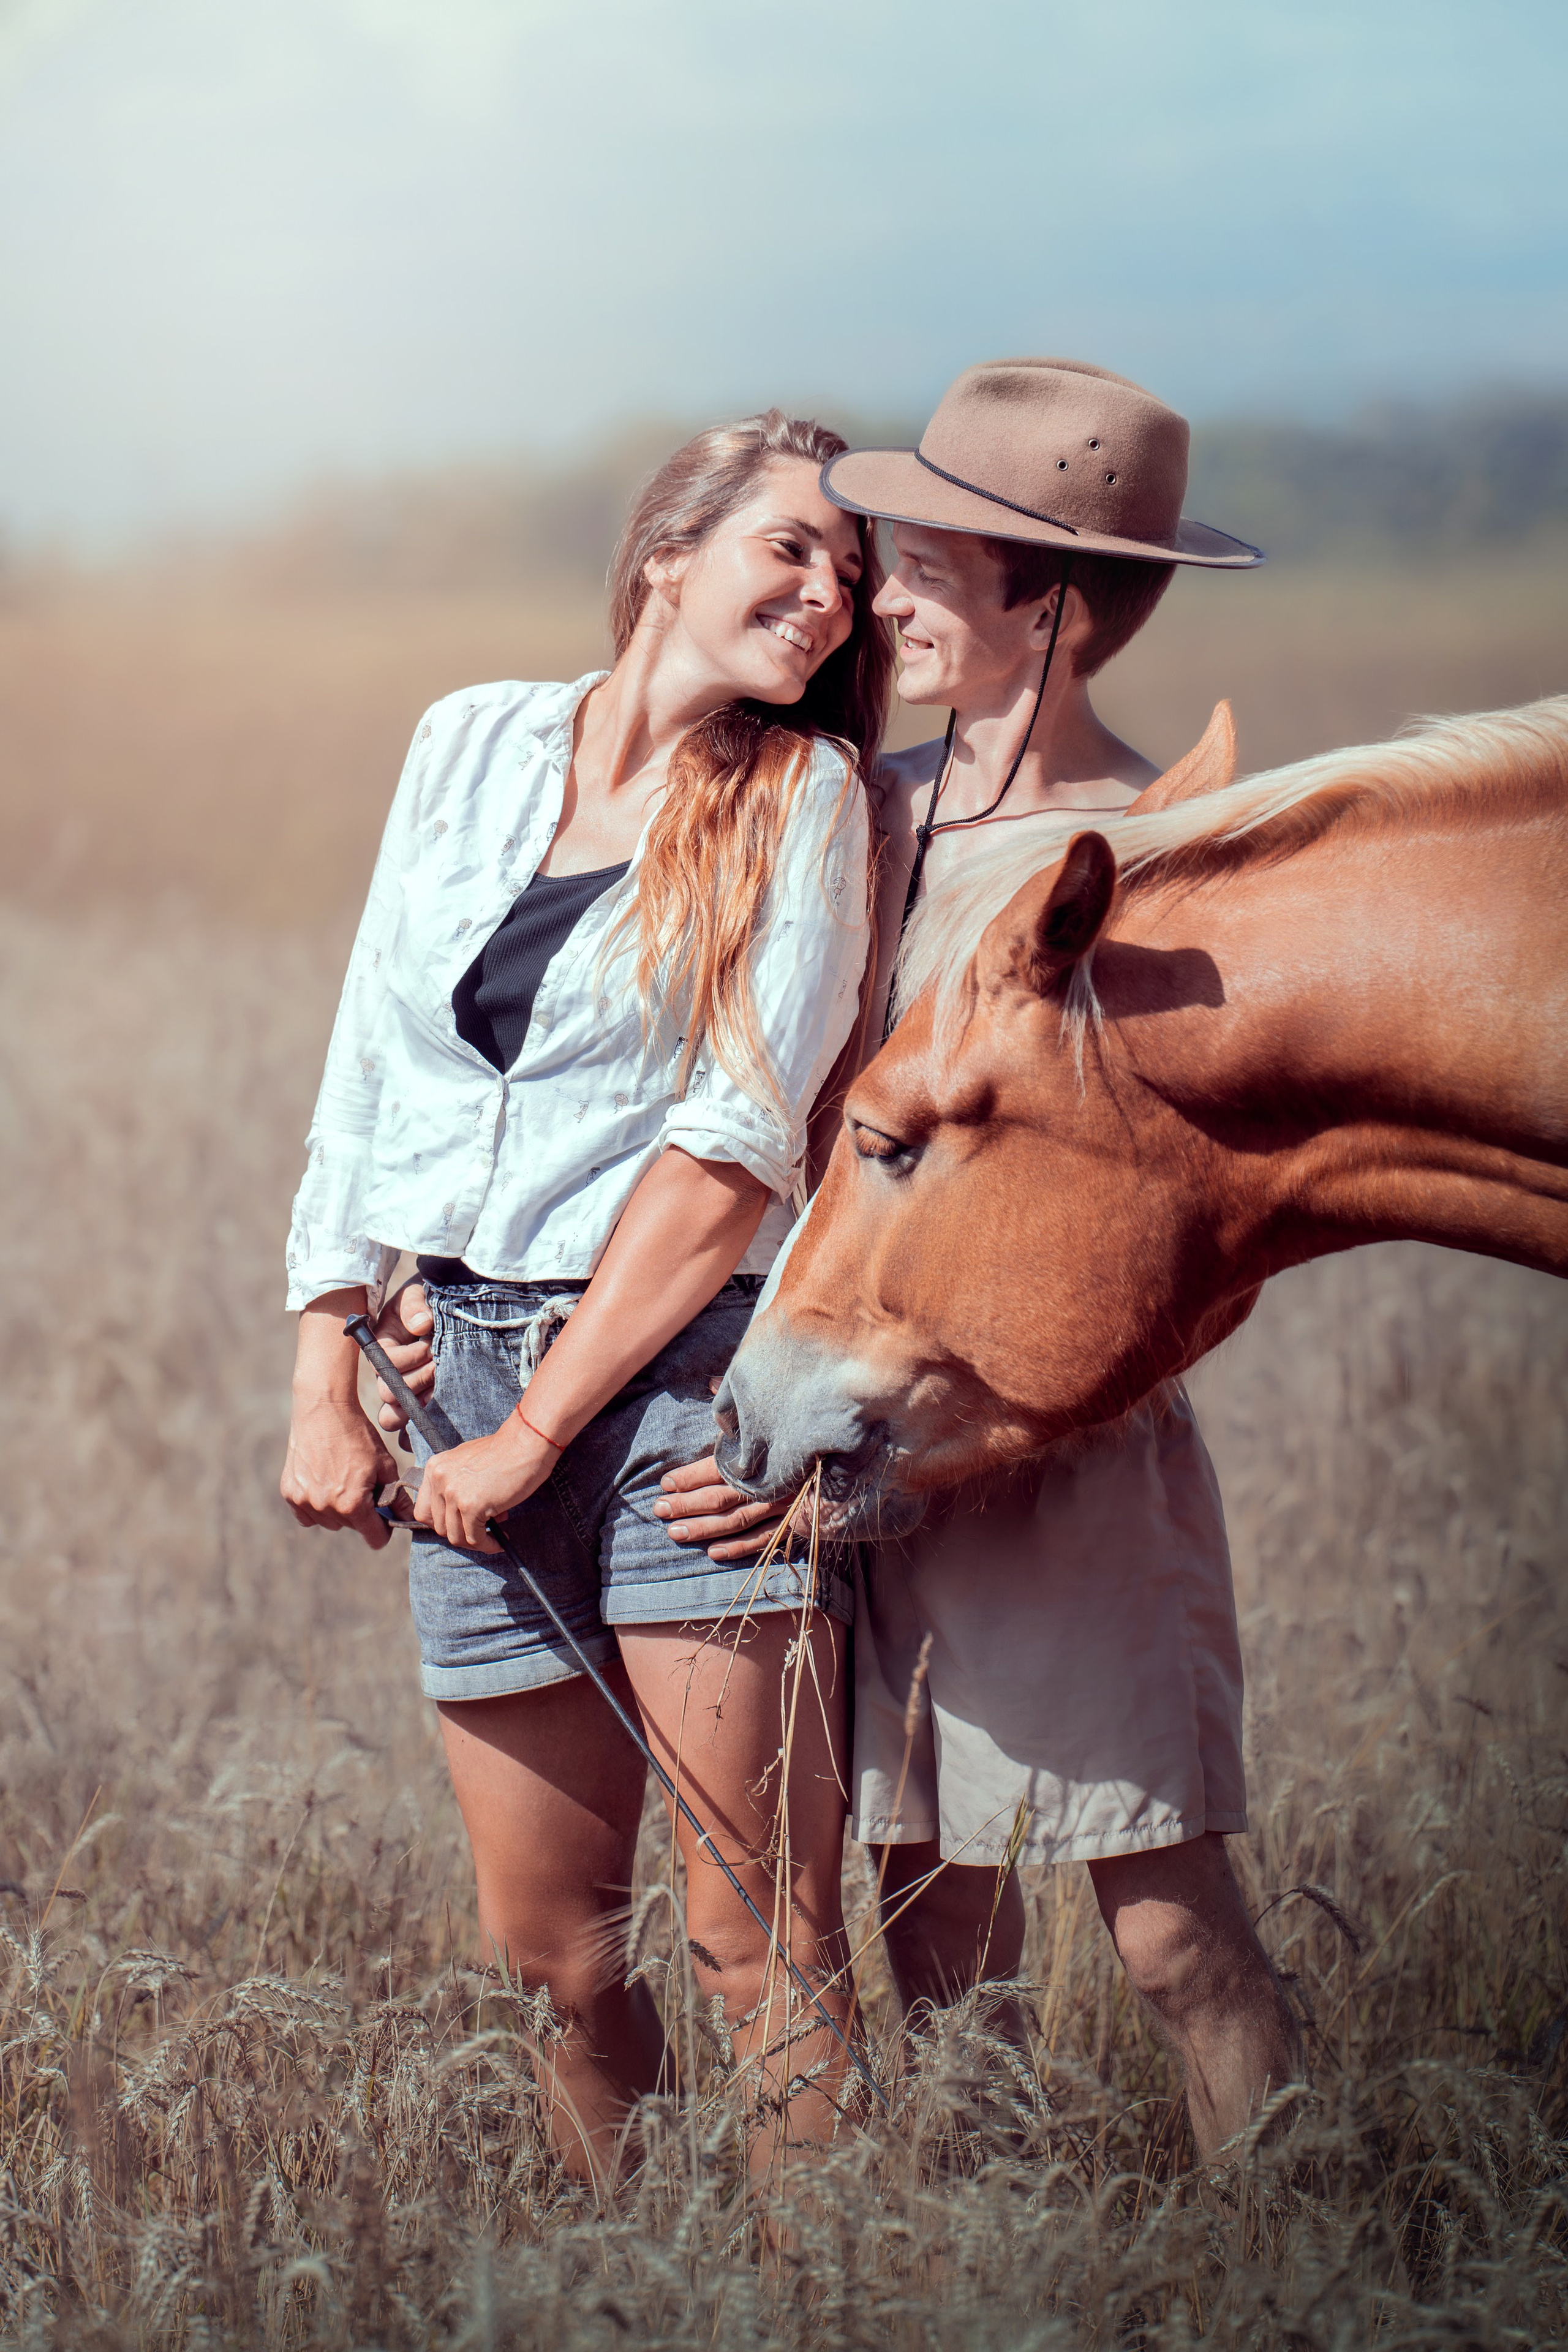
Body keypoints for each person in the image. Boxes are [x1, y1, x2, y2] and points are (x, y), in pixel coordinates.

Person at [660, 360, 1300, 2160]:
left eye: (938, 564)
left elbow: (1185, 1214)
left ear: (1064, 607)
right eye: (896, 550)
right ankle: (1006, 2277)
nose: (885, 591)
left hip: (1050, 1458)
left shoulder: (1166, 859)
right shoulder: (862, 807)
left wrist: (981, 1410)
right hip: (834, 1440)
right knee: (939, 1942)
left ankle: (1308, 2259)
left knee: (1176, 1936)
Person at [279, 409, 892, 2183]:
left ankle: (822, 2310)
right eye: (793, 545)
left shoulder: (807, 796)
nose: (830, 592)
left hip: (679, 1403)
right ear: (667, 554)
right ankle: (614, 2290)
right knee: (554, 1957)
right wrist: (327, 1364)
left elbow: (730, 1154)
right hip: (452, 1373)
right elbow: (368, 1068)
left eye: (851, 573)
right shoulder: (468, 742)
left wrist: (543, 1431)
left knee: (753, 1944)